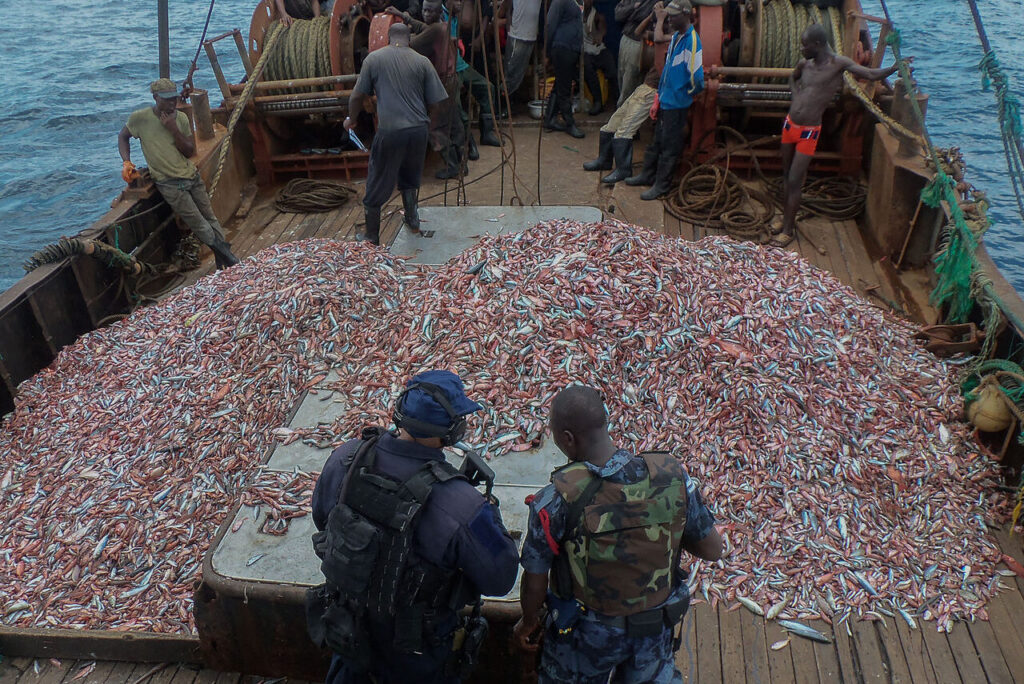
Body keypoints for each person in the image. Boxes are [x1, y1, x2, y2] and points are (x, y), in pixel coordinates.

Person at [308, 370, 520, 683]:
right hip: (416, 656)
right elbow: (501, 579)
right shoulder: (461, 504)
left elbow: (322, 518)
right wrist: (490, 513)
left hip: (350, 632)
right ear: (450, 429)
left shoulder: (347, 458)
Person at [512, 385, 723, 682]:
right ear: (606, 423)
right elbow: (713, 550)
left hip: (586, 637)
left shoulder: (555, 501)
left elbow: (535, 580)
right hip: (654, 626)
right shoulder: (671, 478)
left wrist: (528, 622)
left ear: (567, 439)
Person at [772, 23, 904, 247]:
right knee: (786, 176)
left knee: (795, 180)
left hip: (809, 132)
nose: (801, 49)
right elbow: (792, 78)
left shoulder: (838, 64)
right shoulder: (804, 63)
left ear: (818, 44)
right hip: (789, 125)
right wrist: (796, 97)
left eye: (805, 45)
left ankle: (788, 230)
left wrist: (894, 68)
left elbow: (870, 74)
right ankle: (783, 218)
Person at [118, 79, 240, 269]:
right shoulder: (140, 118)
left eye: (173, 98)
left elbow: (190, 151)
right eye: (166, 99)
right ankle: (231, 259)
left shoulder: (181, 118)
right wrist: (126, 161)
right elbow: (123, 136)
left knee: (210, 218)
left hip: (191, 177)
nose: (172, 103)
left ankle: (223, 259)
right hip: (170, 183)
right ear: (155, 97)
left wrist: (173, 128)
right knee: (198, 223)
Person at [345, 23, 449, 245]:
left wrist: (351, 120)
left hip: (391, 132)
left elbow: (356, 96)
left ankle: (371, 235)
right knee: (410, 177)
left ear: (388, 39)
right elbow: (438, 102)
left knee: (377, 181)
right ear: (409, 40)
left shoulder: (374, 59)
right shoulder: (422, 61)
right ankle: (413, 220)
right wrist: (427, 124)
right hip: (418, 132)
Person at [625, 0, 703, 200]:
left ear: (686, 15)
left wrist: (682, 95)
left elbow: (697, 79)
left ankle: (661, 185)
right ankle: (647, 175)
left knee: (669, 146)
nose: (670, 18)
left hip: (677, 105)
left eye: (674, 15)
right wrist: (658, 97)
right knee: (656, 140)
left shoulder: (692, 41)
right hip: (666, 100)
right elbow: (667, 71)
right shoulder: (676, 36)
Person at [582, 12, 669, 183]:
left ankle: (623, 170)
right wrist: (651, 15)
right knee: (612, 124)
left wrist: (659, 19)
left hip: (653, 92)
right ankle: (604, 161)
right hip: (643, 88)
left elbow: (658, 37)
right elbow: (637, 32)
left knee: (625, 130)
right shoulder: (662, 34)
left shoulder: (674, 38)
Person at [395, 0, 469, 179]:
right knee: (455, 123)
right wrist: (405, 16)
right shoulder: (442, 26)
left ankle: (452, 166)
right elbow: (423, 28)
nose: (427, 14)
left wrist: (399, 35)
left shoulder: (435, 30)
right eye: (424, 10)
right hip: (451, 82)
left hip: (441, 84)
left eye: (430, 11)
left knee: (435, 127)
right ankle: (462, 164)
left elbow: (411, 45)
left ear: (438, 13)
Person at [447, 0, 503, 151]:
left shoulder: (452, 16)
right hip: (450, 70)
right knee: (457, 106)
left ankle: (487, 133)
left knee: (488, 88)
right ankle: (467, 141)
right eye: (456, 1)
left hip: (462, 64)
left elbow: (485, 12)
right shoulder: (439, 16)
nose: (459, 4)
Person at [544, 0, 584, 138]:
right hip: (562, 47)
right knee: (564, 89)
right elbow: (549, 24)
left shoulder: (577, 1)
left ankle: (550, 119)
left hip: (572, 48)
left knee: (560, 83)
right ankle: (570, 124)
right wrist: (547, 52)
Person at [614, 0, 658, 106]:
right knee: (622, 78)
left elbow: (641, 15)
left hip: (639, 44)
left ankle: (623, 116)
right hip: (626, 40)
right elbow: (618, 15)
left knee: (630, 85)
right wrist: (634, 6)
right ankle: (621, 115)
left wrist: (633, 12)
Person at [500, 0, 542, 96]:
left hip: (530, 35)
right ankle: (503, 100)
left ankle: (507, 99)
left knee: (518, 74)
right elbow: (506, 5)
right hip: (518, 35)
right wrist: (508, 20)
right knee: (511, 73)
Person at [582, 0, 617, 115]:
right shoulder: (575, 13)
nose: (587, 2)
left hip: (597, 48)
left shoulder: (596, 15)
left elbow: (602, 29)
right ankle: (598, 102)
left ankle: (618, 101)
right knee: (587, 68)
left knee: (612, 68)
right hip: (583, 50)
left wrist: (600, 35)